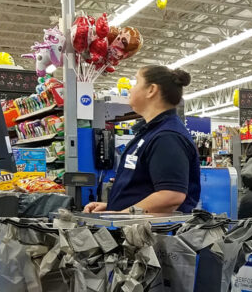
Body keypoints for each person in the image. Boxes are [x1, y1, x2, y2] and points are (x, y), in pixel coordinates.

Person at [85, 66, 201, 214]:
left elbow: (171, 196)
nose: (131, 89)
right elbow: (142, 188)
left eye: (136, 82)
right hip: (138, 230)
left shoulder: (167, 136)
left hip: (152, 235)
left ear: (151, 90)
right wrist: (113, 207)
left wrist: (123, 214)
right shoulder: (151, 132)